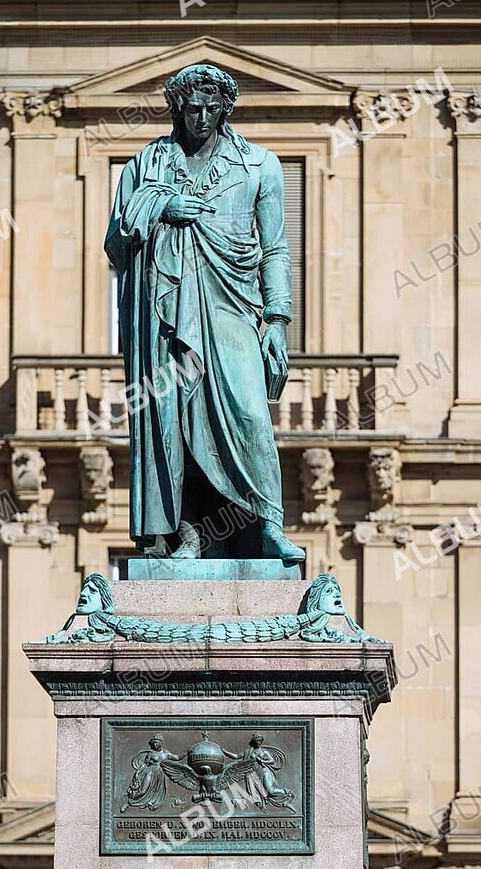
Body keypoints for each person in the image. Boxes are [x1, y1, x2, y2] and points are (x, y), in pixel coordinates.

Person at [104, 63, 304, 563]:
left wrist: (277, 322)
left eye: (212, 107)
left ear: (226, 108)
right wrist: (159, 207)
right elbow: (115, 243)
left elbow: (275, 250)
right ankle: (185, 534)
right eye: (192, 107)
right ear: (176, 107)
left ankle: (268, 523)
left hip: (233, 307)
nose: (202, 116)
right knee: (173, 420)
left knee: (251, 414)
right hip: (164, 317)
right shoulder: (143, 168)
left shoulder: (259, 165)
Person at [120, 734, 184, 813]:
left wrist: (187, 753)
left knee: (156, 794)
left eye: (157, 742)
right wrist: (137, 773)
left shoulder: (166, 754)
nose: (155, 744)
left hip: (160, 776)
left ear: (161, 743)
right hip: (150, 772)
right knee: (143, 790)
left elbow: (177, 758)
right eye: (154, 743)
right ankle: (129, 803)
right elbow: (145, 764)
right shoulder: (151, 754)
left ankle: (151, 802)